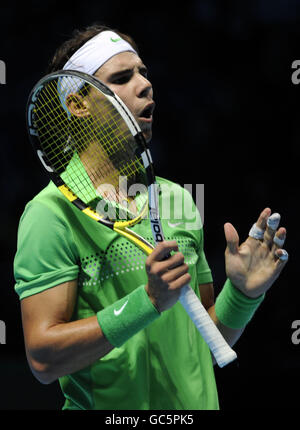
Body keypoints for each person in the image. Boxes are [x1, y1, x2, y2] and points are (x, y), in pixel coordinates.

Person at [14, 24, 288, 410]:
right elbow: (43, 359)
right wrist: (148, 301)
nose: (144, 85)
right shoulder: (49, 216)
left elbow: (203, 345)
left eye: (144, 73)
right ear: (77, 105)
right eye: (123, 78)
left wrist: (243, 294)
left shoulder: (177, 200)